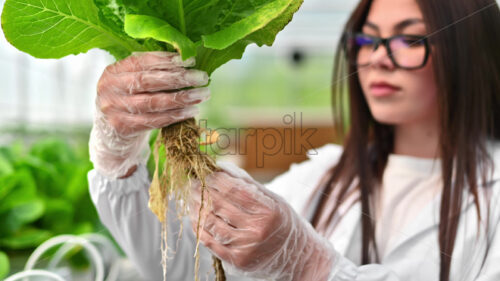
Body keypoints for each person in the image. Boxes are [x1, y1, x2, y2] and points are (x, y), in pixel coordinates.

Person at [87, 0, 500, 280]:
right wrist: (118, 159)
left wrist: (313, 266)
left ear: (472, 54)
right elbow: (187, 268)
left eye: (410, 39)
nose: (377, 57)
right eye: (367, 39)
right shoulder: (326, 173)